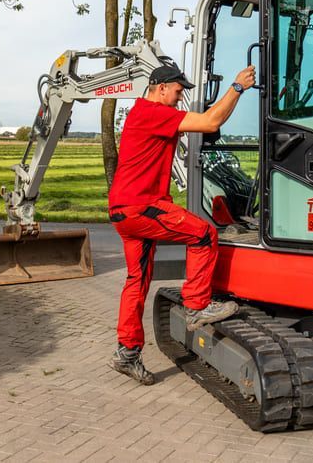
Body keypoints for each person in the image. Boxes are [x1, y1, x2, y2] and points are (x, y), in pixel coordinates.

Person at [107, 60, 256, 385]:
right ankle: (197, 306)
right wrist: (238, 87)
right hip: (141, 206)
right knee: (202, 234)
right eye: (177, 91)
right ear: (161, 88)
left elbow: (208, 123)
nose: (178, 98)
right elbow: (211, 121)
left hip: (122, 211)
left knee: (137, 281)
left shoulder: (142, 114)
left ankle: (127, 352)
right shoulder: (152, 112)